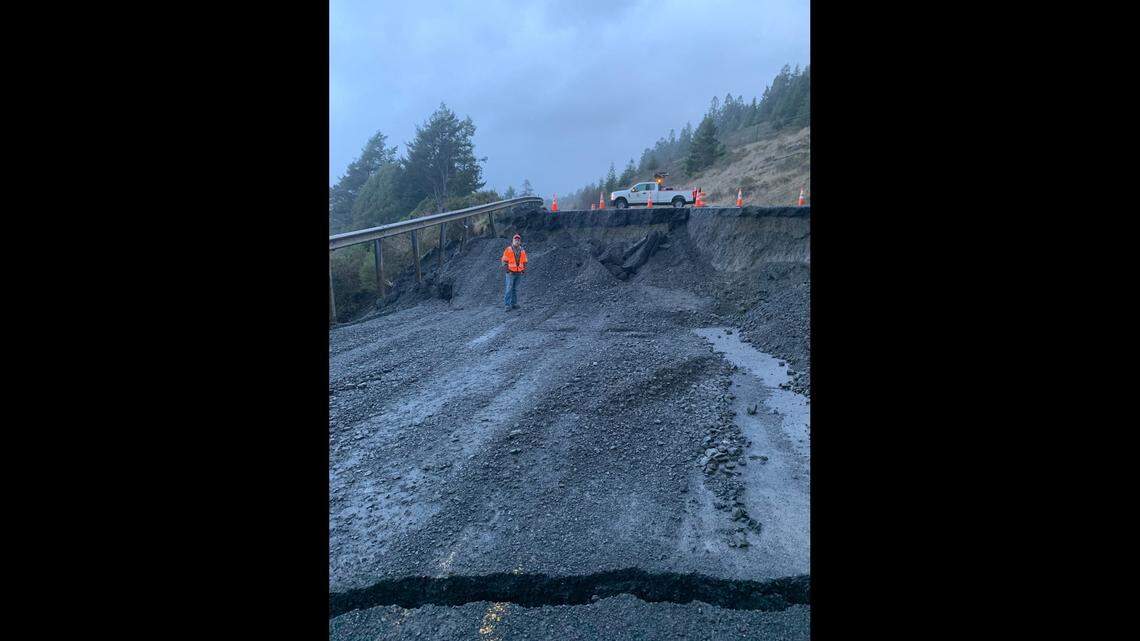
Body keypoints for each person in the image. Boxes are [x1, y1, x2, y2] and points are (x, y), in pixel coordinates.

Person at [501, 233, 527, 310]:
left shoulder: (522, 250)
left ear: (520, 241)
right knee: (509, 288)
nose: (517, 241)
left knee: (515, 289)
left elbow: (524, 261)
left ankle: (514, 304)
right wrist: (507, 271)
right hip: (510, 273)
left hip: (518, 273)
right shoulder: (508, 249)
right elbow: (504, 261)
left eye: (518, 240)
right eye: (515, 240)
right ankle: (507, 305)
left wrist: (523, 270)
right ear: (513, 241)